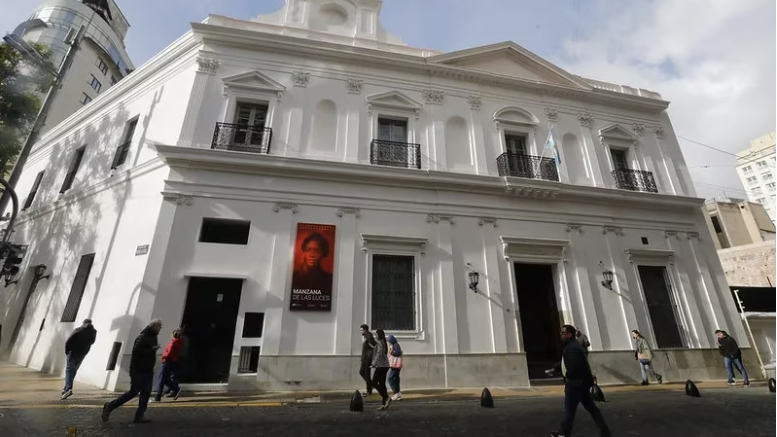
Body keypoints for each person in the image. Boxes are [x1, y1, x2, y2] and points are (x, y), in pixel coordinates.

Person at [546, 325, 610, 437]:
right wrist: (555, 368)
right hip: (581, 383)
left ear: (569, 334)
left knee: (569, 409)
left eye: (563, 333)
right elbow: (565, 361)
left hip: (575, 383)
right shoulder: (571, 346)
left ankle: (563, 433)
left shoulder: (572, 347)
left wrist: (567, 376)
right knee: (591, 408)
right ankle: (604, 430)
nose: (561, 335)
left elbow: (575, 366)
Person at [102, 319, 162, 423]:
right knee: (134, 391)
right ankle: (110, 406)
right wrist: (152, 349)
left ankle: (140, 415)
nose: (160, 328)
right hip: (138, 370)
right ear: (153, 326)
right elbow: (137, 351)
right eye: (159, 326)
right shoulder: (142, 337)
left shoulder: (153, 336)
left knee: (146, 393)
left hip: (148, 370)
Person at [61, 319, 97, 400]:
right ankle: (66, 388)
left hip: (72, 352)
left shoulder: (78, 330)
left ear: (83, 323)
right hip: (82, 354)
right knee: (73, 371)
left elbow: (68, 341)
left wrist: (67, 351)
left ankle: (68, 389)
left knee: (69, 370)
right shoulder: (93, 332)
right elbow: (92, 342)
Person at [154, 328, 184, 402]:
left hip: (167, 361)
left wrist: (163, 357)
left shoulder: (173, 343)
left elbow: (169, 353)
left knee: (161, 378)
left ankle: (158, 396)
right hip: (173, 361)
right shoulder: (179, 342)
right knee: (165, 378)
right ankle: (176, 389)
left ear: (173, 334)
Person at [371, 329, 391, 410]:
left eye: (376, 334)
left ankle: (386, 397)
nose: (375, 336)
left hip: (381, 366)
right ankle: (384, 404)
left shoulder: (380, 342)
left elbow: (379, 354)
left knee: (374, 382)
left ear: (379, 335)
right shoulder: (383, 342)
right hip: (384, 365)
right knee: (382, 384)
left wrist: (373, 363)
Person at [359, 324, 377, 396]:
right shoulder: (366, 336)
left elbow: (374, 345)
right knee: (362, 372)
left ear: (365, 330)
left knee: (366, 374)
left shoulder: (369, 336)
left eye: (361, 330)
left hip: (367, 359)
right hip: (364, 358)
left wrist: (369, 355)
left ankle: (369, 389)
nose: (360, 332)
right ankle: (370, 386)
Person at [387, 334, 403, 401]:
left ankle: (396, 393)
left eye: (389, 340)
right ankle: (398, 393)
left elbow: (398, 352)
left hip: (395, 365)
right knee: (396, 379)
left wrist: (391, 352)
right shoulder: (394, 345)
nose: (388, 342)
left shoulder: (396, 345)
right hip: (395, 365)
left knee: (390, 378)